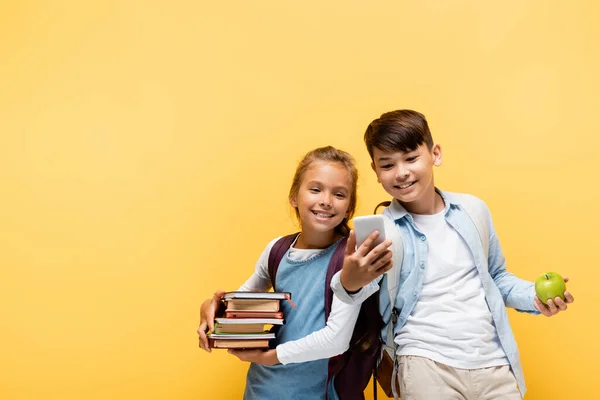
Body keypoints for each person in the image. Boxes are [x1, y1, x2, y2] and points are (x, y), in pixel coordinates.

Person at [332, 110, 575, 399]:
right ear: (375, 171)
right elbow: (353, 297)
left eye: (411, 158)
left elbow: (495, 277)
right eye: (388, 164)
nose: (401, 172)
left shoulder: (474, 210)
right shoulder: (382, 230)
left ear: (435, 154)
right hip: (424, 363)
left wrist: (534, 297)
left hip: (494, 361)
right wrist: (350, 280)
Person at [198, 146, 392, 399]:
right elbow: (241, 303)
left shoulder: (355, 259)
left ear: (349, 207)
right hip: (262, 389)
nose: (326, 200)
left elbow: (335, 340)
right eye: (315, 189)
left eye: (339, 194)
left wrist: (269, 357)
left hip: (322, 391)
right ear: (293, 196)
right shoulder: (276, 250)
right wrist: (210, 308)